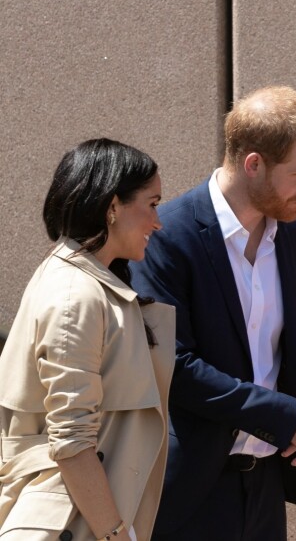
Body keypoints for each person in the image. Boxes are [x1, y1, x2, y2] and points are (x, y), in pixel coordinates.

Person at [130, 85, 296, 541]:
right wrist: (289, 417)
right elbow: (173, 367)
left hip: (268, 486)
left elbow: (285, 358)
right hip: (191, 492)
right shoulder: (169, 235)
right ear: (253, 164)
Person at [0, 138, 175, 541]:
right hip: (70, 525)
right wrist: (115, 534)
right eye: (152, 203)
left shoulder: (83, 283)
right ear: (113, 206)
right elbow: (72, 441)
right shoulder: (75, 295)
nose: (158, 221)